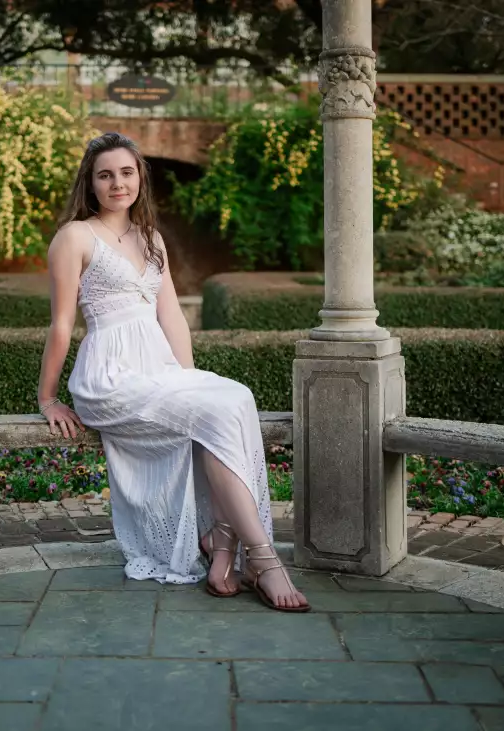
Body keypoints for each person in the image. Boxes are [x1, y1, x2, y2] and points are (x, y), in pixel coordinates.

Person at [35, 132, 309, 612]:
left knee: (233, 399)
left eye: (126, 172)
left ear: (140, 177)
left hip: (158, 371)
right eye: (105, 175)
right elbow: (61, 325)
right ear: (90, 183)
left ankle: (223, 549)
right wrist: (47, 397)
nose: (117, 183)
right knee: (217, 409)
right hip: (110, 376)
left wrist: (189, 383)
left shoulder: (152, 238)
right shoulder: (75, 237)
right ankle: (264, 560)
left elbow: (173, 317)